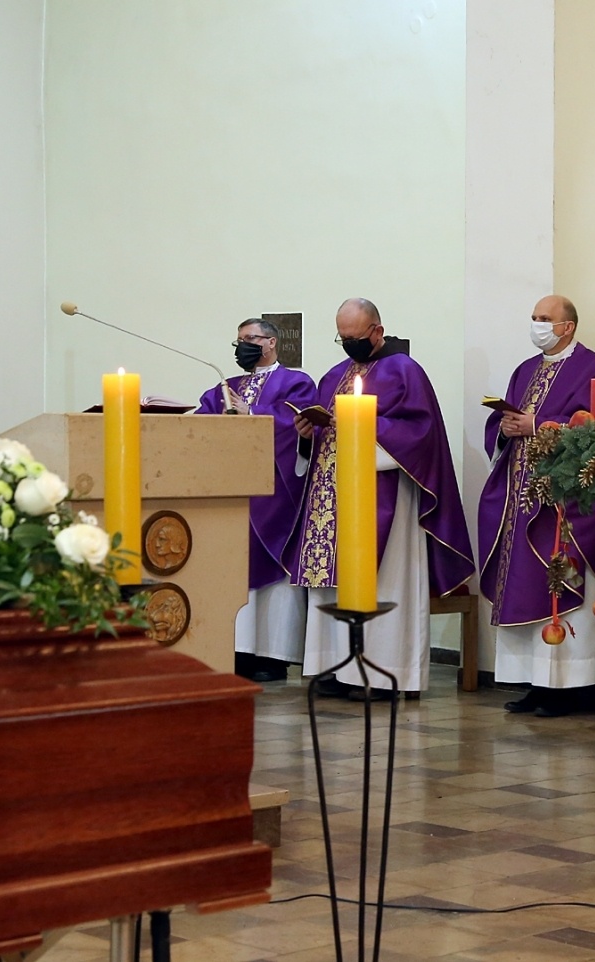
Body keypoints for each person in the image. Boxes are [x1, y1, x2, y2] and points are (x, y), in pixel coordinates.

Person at [287, 298, 474, 698]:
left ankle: (385, 673)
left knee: (384, 583)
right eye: (342, 337)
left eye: (354, 336)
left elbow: (420, 433)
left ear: (377, 331)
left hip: (384, 493)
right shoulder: (335, 374)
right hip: (332, 498)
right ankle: (335, 668)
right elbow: (325, 432)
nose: (348, 343)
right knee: (331, 584)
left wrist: (362, 424)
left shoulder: (405, 371)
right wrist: (309, 435)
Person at [479, 295, 595, 717]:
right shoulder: (525, 369)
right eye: (534, 317)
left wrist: (537, 425)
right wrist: (504, 427)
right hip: (523, 498)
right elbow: (509, 422)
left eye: (546, 319)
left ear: (567, 327)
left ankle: (576, 687)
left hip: (568, 502)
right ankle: (537, 684)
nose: (537, 325)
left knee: (564, 585)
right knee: (526, 587)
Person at [196, 318, 316, 683]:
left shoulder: (295, 381)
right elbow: (203, 427)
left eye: (250, 339)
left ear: (271, 343)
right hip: (230, 494)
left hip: (274, 494)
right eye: (238, 341)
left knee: (273, 571)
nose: (242, 346)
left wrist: (255, 415)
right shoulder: (224, 387)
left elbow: (300, 424)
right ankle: (232, 649)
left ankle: (272, 655)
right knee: (229, 570)